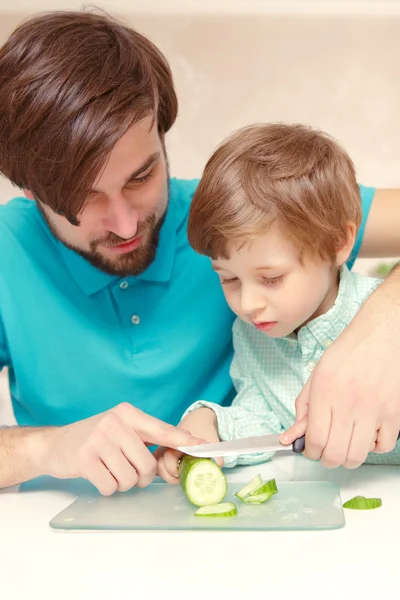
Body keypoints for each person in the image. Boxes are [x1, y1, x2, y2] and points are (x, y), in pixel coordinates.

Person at [0, 10, 399, 494]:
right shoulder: (8, 250)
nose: (126, 224)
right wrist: (43, 448)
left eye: (142, 176)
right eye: (84, 200)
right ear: (29, 188)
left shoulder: (243, 217)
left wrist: (382, 329)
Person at [157, 123, 400, 483]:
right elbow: (260, 417)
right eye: (229, 279)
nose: (249, 304)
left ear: (338, 243)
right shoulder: (251, 336)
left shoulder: (383, 323)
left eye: (272, 278)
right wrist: (210, 425)